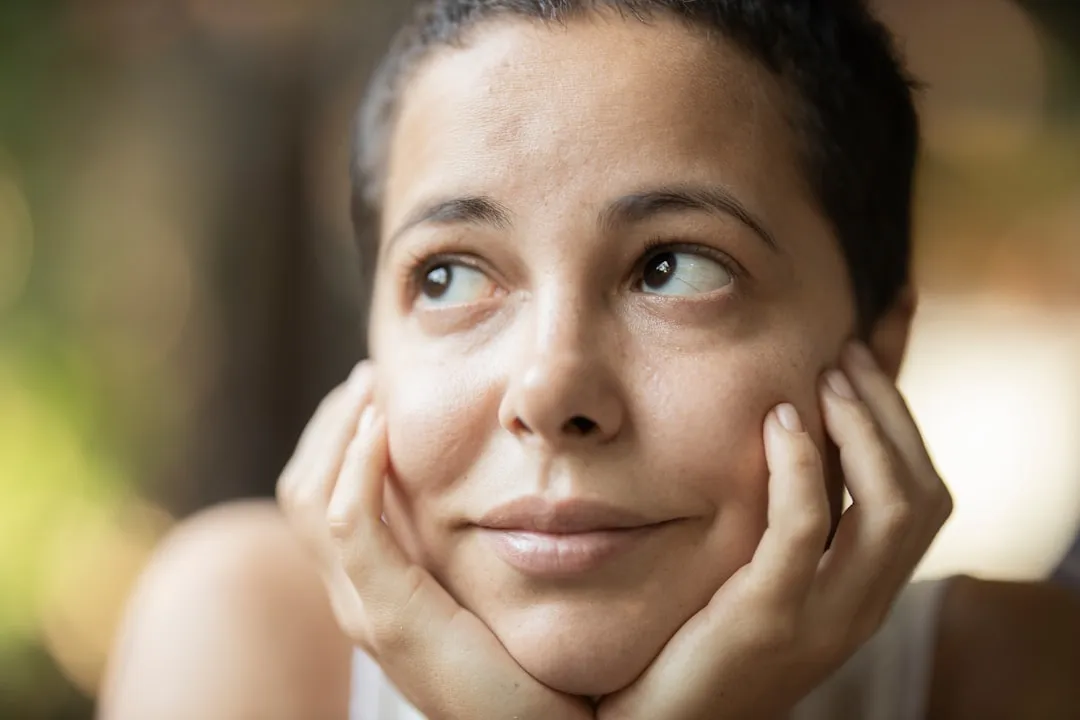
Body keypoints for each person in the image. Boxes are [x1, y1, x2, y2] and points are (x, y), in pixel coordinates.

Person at [99, 1, 1080, 718]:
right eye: (447, 278)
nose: (551, 388)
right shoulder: (248, 636)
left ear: (876, 348)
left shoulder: (1011, 674)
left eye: (673, 268)